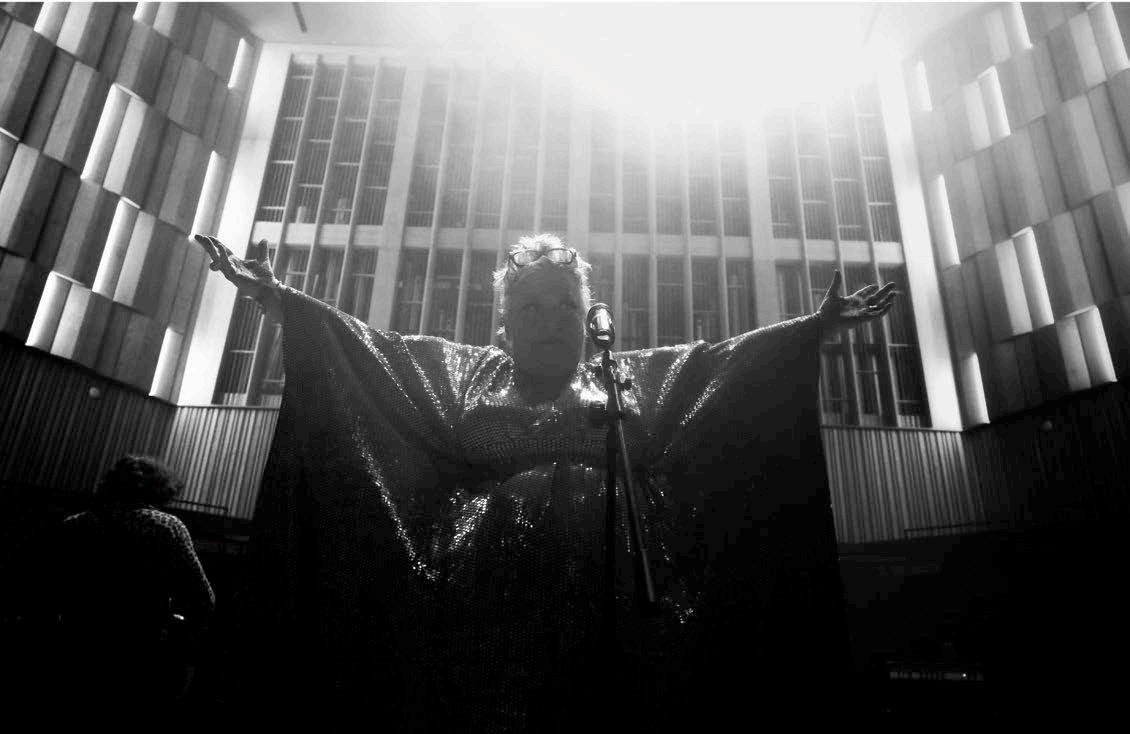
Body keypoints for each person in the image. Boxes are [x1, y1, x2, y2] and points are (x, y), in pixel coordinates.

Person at [196, 232, 896, 727]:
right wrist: (282, 302)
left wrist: (810, 332)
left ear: (587, 316)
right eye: (530, 306)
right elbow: (369, 355)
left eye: (564, 304)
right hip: (478, 620)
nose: (550, 319)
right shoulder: (464, 375)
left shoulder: (626, 377)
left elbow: (723, 368)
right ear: (504, 323)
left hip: (619, 623)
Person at [50, 455, 215, 710]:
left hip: (76, 648)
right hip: (142, 652)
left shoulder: (75, 524)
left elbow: (48, 587)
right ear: (159, 489)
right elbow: (203, 598)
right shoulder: (167, 526)